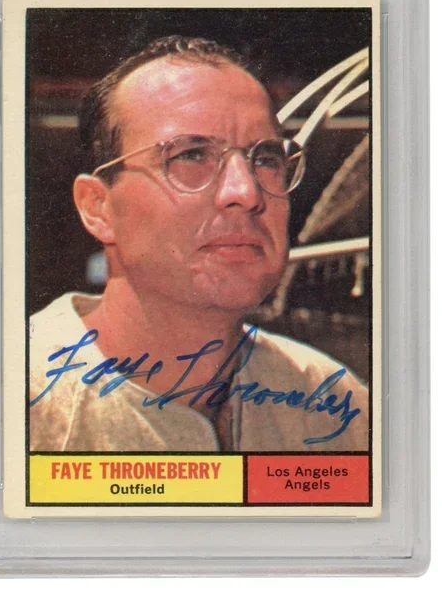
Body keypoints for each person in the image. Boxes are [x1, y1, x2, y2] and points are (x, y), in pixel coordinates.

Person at [29, 36, 369, 452]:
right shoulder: (11, 400)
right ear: (98, 207)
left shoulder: (333, 403)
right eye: (190, 155)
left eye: (266, 159)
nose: (246, 192)